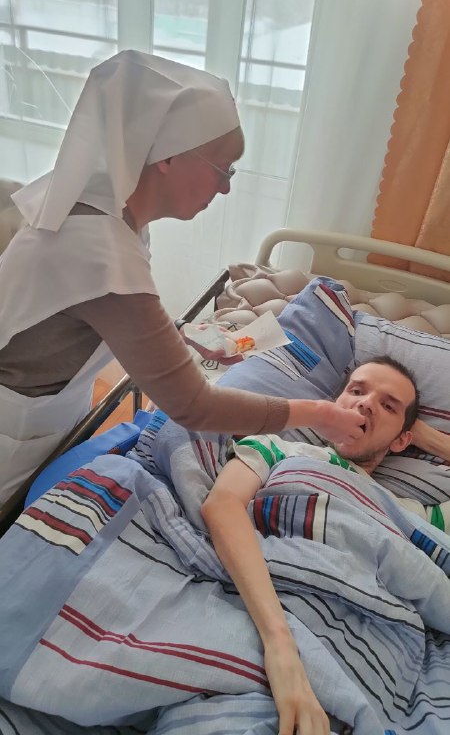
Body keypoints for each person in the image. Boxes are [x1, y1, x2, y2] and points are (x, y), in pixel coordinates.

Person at [0, 50, 365, 507]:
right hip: (15, 430)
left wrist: (184, 337)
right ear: (169, 157)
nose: (226, 187)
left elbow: (110, 313)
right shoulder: (97, 248)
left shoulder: (115, 212)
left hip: (50, 409)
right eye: (223, 169)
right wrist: (319, 414)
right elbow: (194, 406)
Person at [201, 355, 450, 735]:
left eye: (388, 406)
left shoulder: (410, 514)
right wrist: (280, 644)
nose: (366, 403)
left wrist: (428, 437)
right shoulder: (279, 450)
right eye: (356, 391)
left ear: (402, 440)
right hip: (268, 618)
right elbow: (221, 506)